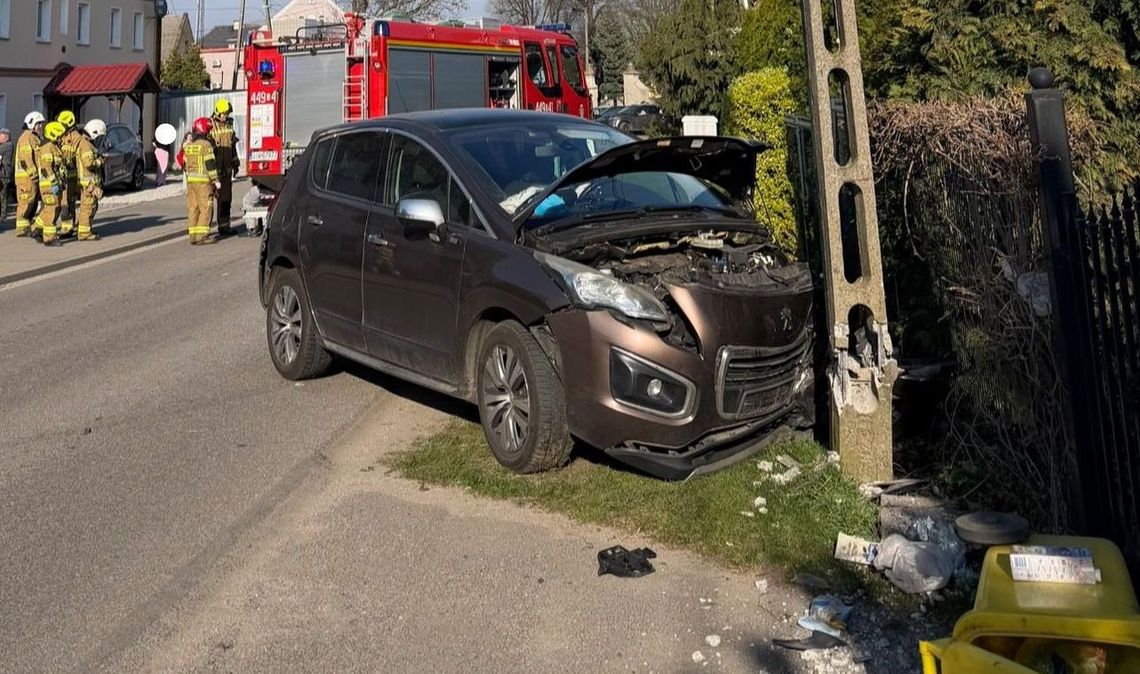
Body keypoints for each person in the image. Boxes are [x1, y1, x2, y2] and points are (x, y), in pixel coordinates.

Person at [182, 117, 219, 245]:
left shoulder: (189, 146)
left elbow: (185, 164)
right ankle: (202, 236)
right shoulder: (206, 145)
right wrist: (215, 180)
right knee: (206, 208)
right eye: (208, 131)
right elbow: (210, 164)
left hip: (191, 182)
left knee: (193, 208)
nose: (208, 134)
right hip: (203, 182)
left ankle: (193, 236)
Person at [209, 99, 240, 236]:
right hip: (213, 171)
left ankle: (224, 226)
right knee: (207, 202)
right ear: (218, 112)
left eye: (227, 113)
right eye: (224, 113)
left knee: (226, 200)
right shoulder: (209, 126)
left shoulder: (229, 126)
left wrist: (236, 163)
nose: (226, 116)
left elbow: (233, 147)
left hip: (226, 171)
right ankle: (204, 231)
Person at [36, 121, 67, 246]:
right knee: (52, 210)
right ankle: (49, 238)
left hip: (54, 184)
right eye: (60, 135)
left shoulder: (53, 147)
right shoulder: (47, 148)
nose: (61, 138)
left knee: (53, 209)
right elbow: (46, 167)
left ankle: (36, 229)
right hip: (49, 185)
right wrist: (54, 181)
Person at [14, 111, 45, 238]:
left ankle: (26, 225)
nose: (41, 126)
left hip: (31, 178)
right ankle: (22, 229)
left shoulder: (34, 137)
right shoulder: (26, 138)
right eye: (39, 124)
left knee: (31, 202)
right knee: (26, 202)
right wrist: (34, 175)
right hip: (26, 178)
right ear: (32, 123)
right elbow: (26, 159)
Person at [75, 120, 106, 241]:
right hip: (88, 183)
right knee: (87, 208)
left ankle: (85, 229)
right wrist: (100, 161)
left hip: (89, 182)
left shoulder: (86, 144)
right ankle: (84, 233)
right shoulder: (86, 146)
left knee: (92, 206)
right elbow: (88, 163)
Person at [56, 110, 81, 238]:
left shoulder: (76, 138)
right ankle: (67, 227)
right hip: (63, 177)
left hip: (71, 177)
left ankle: (68, 228)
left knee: (68, 203)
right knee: (63, 203)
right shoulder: (63, 136)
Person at [0, 128, 12, 222]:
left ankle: (2, 215)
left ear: (5, 136)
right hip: (4, 174)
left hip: (4, 174)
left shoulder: (6, 145)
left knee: (2, 195)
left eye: (1, 135)